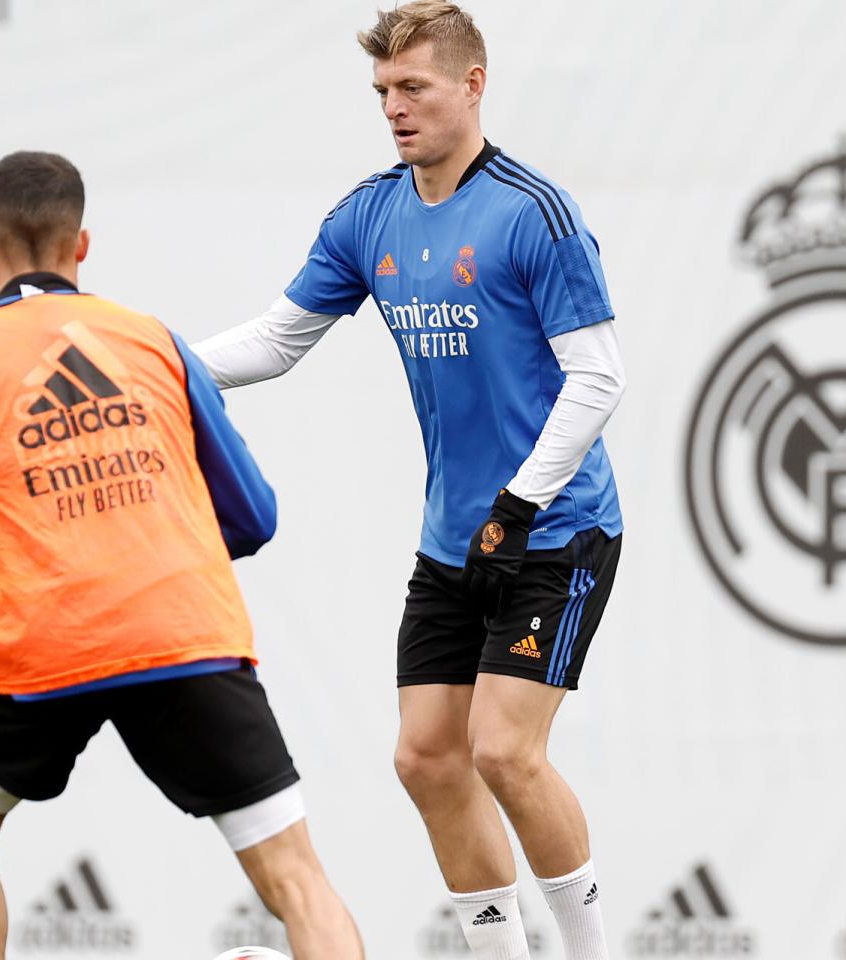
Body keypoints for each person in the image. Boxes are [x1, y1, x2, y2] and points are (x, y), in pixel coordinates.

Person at [192, 4, 625, 959]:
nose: (394, 108)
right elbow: (276, 340)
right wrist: (152, 361)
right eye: (383, 92)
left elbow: (600, 379)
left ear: (473, 86)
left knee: (505, 751)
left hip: (555, 529)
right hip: (455, 538)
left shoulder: (532, 213)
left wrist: (520, 500)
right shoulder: (369, 214)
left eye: (413, 88)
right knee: (427, 757)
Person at [0, 151, 363, 960]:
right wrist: (163, 557)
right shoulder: (152, 342)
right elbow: (255, 516)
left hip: (42, 649)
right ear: (83, 245)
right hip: (185, 632)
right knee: (297, 877)